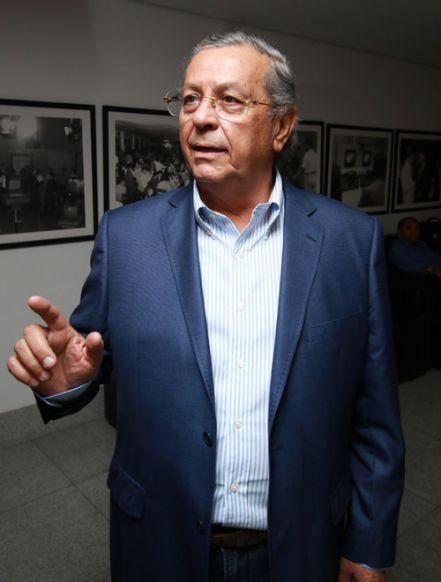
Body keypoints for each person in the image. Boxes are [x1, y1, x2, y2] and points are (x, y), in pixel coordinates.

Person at [7, 32, 404, 582]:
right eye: (190, 99)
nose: (200, 117)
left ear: (282, 126)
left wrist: (368, 544)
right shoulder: (126, 238)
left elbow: (376, 414)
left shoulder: (349, 242)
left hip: (301, 542)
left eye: (229, 100)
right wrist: (68, 382)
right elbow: (87, 357)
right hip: (160, 540)